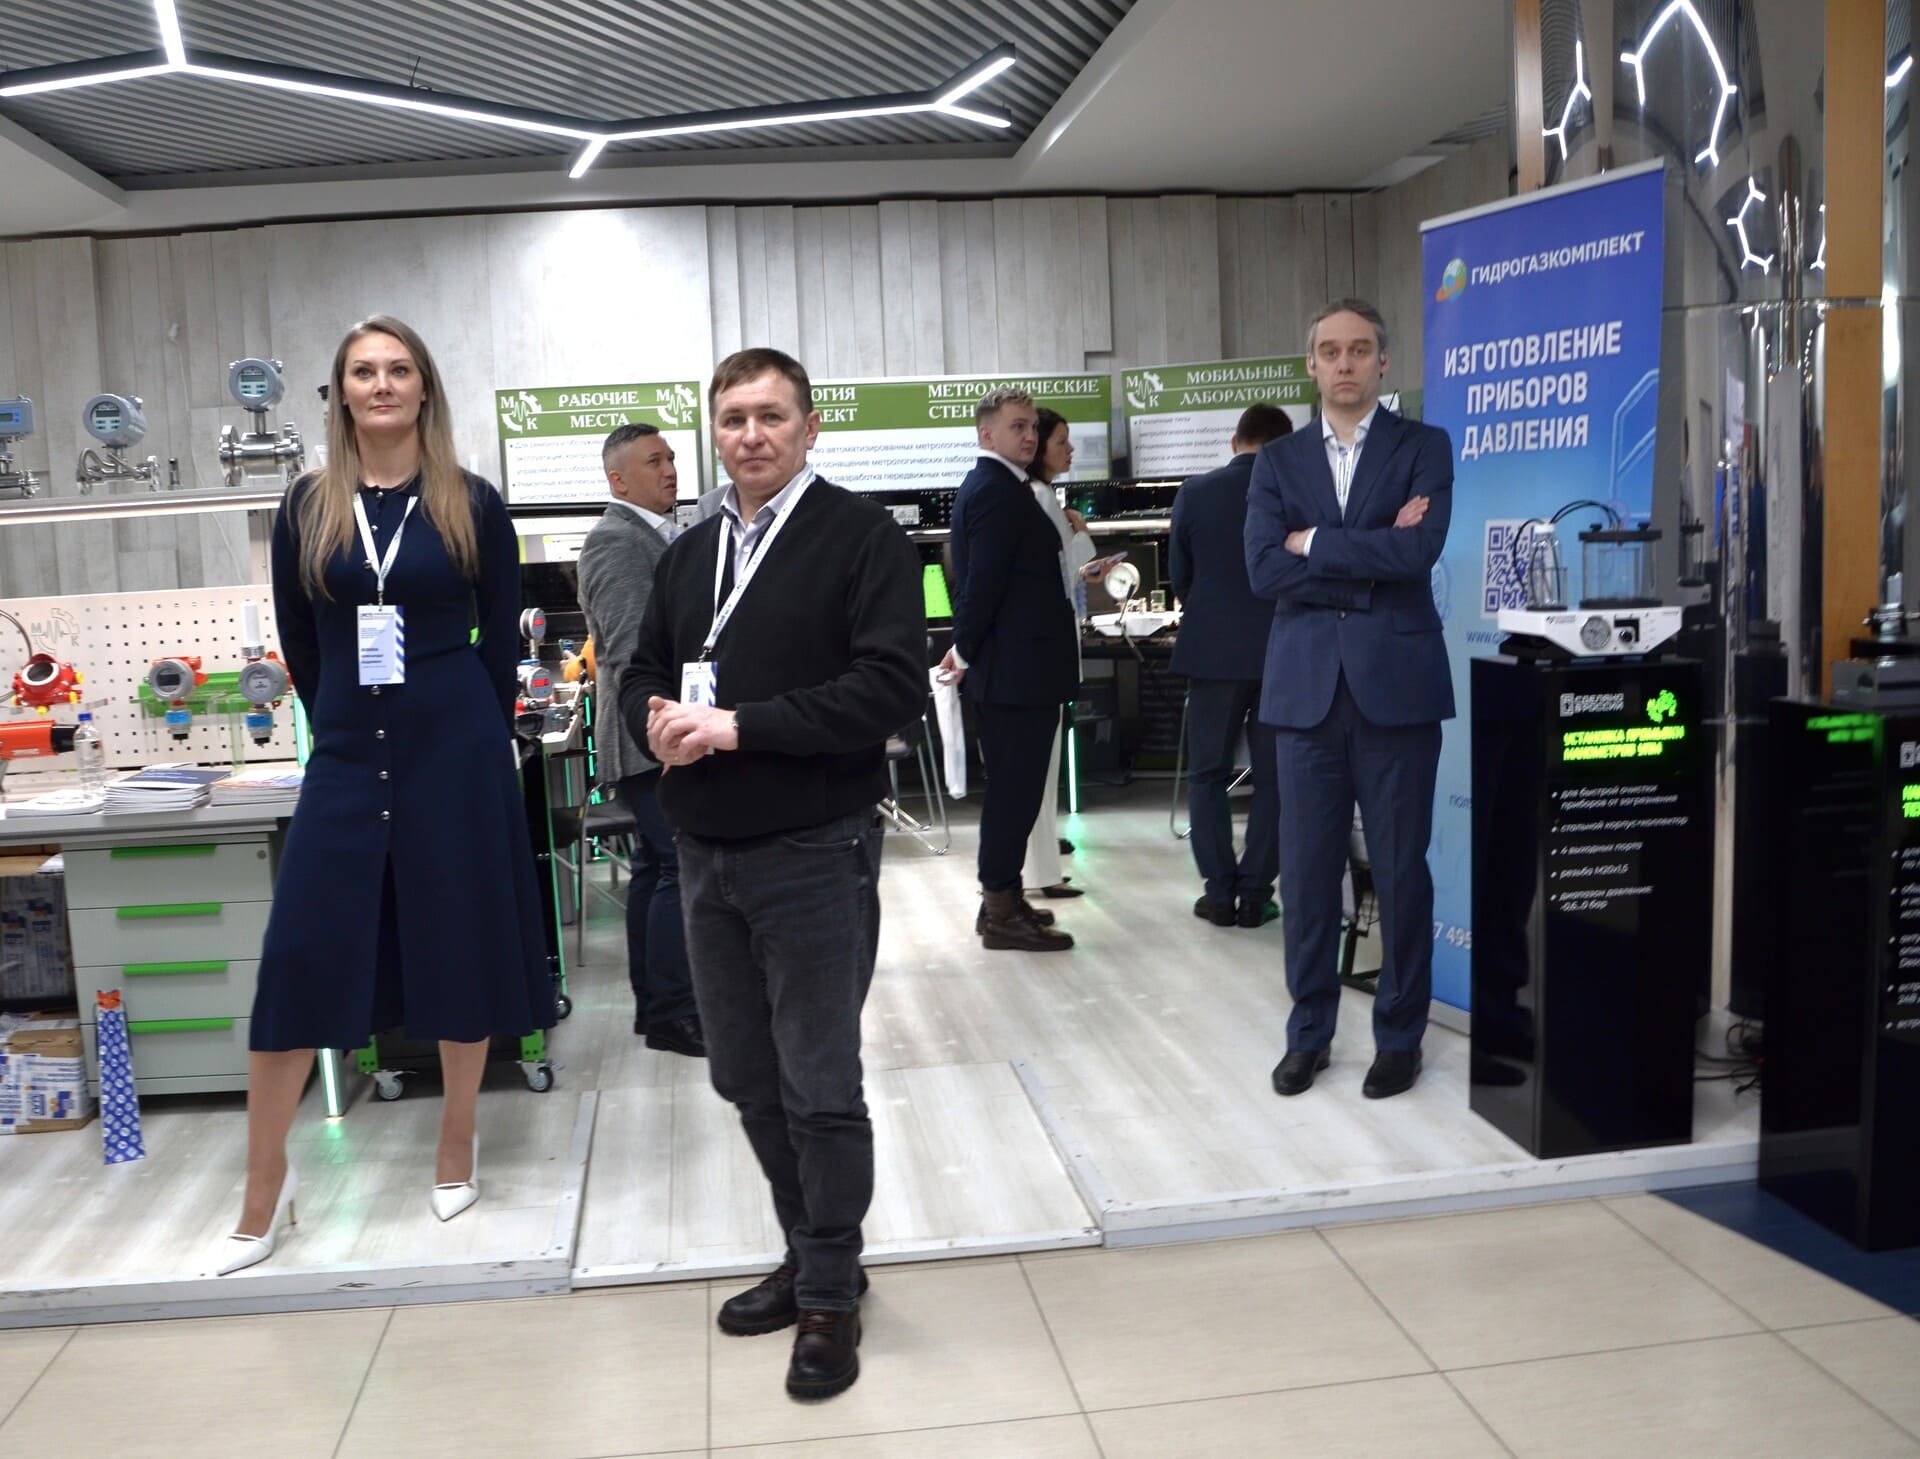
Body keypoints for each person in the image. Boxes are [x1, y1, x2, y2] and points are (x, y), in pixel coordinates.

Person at [217, 316, 555, 1275]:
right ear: (342, 392)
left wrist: (474, 734)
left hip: (455, 746)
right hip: (346, 750)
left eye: (399, 369)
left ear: (424, 388)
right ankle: (262, 1186)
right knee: (299, 953)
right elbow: (301, 637)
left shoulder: (470, 501)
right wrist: (343, 716)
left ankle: (457, 1142)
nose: (381, 384)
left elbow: (498, 634)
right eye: (363, 371)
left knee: (457, 939)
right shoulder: (307, 505)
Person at [624, 347, 923, 1401]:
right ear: (715, 430)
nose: (751, 435)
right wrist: (655, 722)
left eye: (771, 416)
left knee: (819, 1082)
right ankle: (809, 1249)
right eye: (733, 418)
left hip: (814, 848)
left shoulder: (862, 537)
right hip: (705, 849)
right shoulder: (689, 553)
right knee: (745, 1075)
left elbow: (889, 687)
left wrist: (738, 726)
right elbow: (645, 667)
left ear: (809, 426)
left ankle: (831, 1292)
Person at [1245, 298, 1452, 1102]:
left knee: (1400, 872)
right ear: (1311, 364)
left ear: (1382, 362)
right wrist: (1371, 553)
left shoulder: (1423, 446)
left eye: (1359, 349)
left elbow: (1418, 551)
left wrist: (1317, 543)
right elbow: (1264, 569)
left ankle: (1400, 1038)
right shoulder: (1277, 462)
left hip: (1397, 691)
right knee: (1305, 877)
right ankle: (1309, 1034)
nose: (1343, 363)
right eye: (1329, 350)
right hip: (1305, 695)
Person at [575, 422, 702, 1056]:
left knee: (655, 868)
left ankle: (658, 1010)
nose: (670, 469)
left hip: (656, 734)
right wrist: (662, 737)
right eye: (654, 461)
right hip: (650, 737)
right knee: (679, 866)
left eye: (671, 457)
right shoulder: (617, 542)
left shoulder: (654, 534)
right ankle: (675, 1012)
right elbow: (629, 654)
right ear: (618, 480)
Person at [939, 389, 1079, 952]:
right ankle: (999, 910)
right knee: (1013, 796)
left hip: (1022, 671)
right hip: (1013, 674)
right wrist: (963, 651)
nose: (1029, 436)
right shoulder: (995, 491)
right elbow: (982, 586)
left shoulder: (1007, 486)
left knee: (1017, 795)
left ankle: (1003, 898)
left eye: (1031, 427)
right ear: (986, 434)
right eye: (1017, 427)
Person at [1171, 403, 1293, 929]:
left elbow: (1181, 576)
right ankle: (1256, 894)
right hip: (1280, 654)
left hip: (1212, 654)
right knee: (1276, 780)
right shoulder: (1294, 493)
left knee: (1207, 775)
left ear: (1234, 441)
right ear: (1283, 447)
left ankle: (1219, 893)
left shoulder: (1194, 493)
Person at [1021, 406, 1099, 901]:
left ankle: (1042, 867)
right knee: (1040, 769)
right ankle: (1040, 873)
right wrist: (1082, 534)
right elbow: (1073, 569)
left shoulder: (1040, 496)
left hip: (1043, 653)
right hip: (1044, 655)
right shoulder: (1041, 498)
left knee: (1042, 769)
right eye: (1061, 441)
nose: (1070, 450)